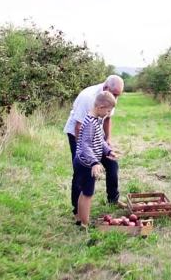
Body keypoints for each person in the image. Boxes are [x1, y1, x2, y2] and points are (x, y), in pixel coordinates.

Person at [63, 75, 125, 224]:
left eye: (118, 95)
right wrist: (91, 160)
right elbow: (81, 134)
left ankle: (113, 199)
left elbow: (106, 121)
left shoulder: (105, 103)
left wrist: (107, 146)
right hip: (78, 137)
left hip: (94, 141)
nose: (116, 99)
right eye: (115, 95)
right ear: (106, 88)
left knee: (112, 164)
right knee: (82, 177)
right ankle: (78, 214)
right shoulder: (88, 99)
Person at [74, 91, 119, 227]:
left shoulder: (97, 120)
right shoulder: (90, 123)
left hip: (86, 161)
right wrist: (94, 162)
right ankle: (85, 224)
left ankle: (82, 221)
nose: (108, 114)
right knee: (87, 194)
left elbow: (100, 141)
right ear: (100, 107)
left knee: (85, 193)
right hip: (85, 163)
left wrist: (108, 151)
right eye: (108, 111)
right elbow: (85, 145)